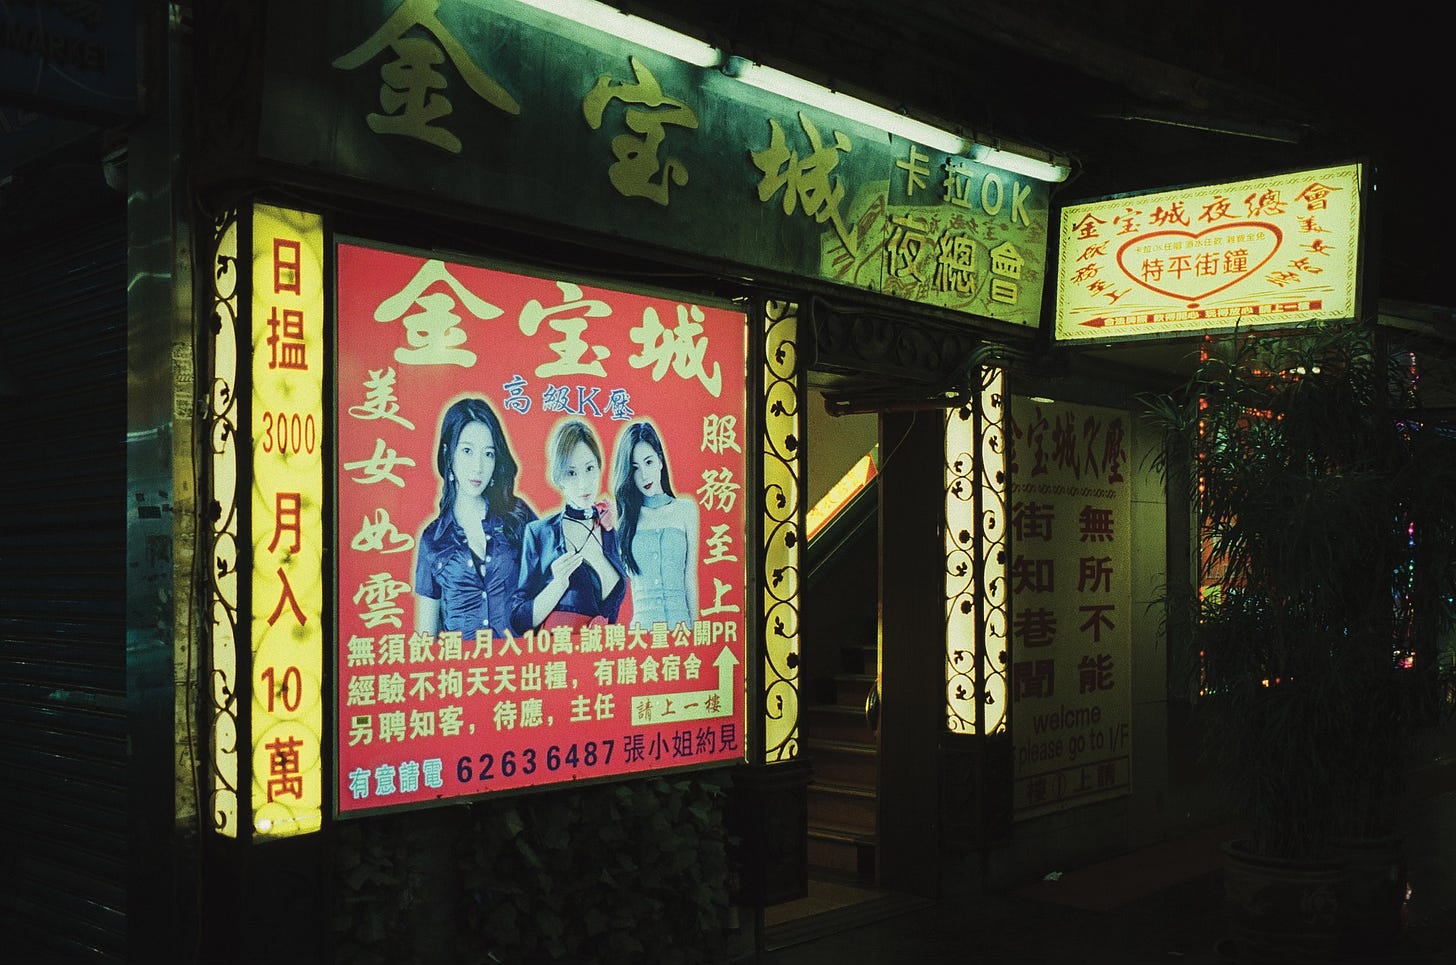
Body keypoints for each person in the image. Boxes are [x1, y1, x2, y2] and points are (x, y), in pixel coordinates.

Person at [413, 397, 536, 644]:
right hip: (460, 667)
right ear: (449, 454)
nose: (478, 467)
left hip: (519, 664)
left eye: (488, 454)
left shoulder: (517, 516)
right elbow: (425, 640)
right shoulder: (433, 539)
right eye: (467, 451)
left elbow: (558, 568)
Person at [512, 418, 626, 632]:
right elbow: (519, 619)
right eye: (571, 473)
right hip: (560, 651)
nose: (584, 483)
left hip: (606, 651)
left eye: (590, 468)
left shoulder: (609, 530)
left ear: (599, 467)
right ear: (559, 478)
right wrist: (557, 585)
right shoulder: (540, 533)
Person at [612, 420, 698, 631]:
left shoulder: (685, 509)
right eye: (635, 468)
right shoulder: (624, 520)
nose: (644, 475)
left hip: (681, 629)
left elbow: (690, 576)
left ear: (660, 460)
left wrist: (696, 632)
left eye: (649, 462)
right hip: (642, 635)